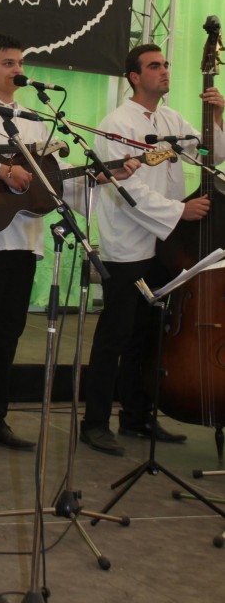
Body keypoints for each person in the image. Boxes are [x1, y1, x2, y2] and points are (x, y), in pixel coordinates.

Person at [0, 33, 130, 458]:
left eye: (20, 63)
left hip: (24, 238)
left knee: (8, 330)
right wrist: (2, 172)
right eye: (8, 63)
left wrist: (98, 176)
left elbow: (55, 176)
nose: (17, 70)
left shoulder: (33, 119)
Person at [81, 43, 225, 456]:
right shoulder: (117, 124)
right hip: (129, 246)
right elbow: (126, 189)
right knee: (116, 335)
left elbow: (213, 155)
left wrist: (217, 118)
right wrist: (180, 211)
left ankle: (137, 416)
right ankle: (94, 423)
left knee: (148, 335)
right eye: (154, 66)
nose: (164, 71)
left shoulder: (172, 119)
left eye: (165, 65)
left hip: (167, 247)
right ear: (134, 76)